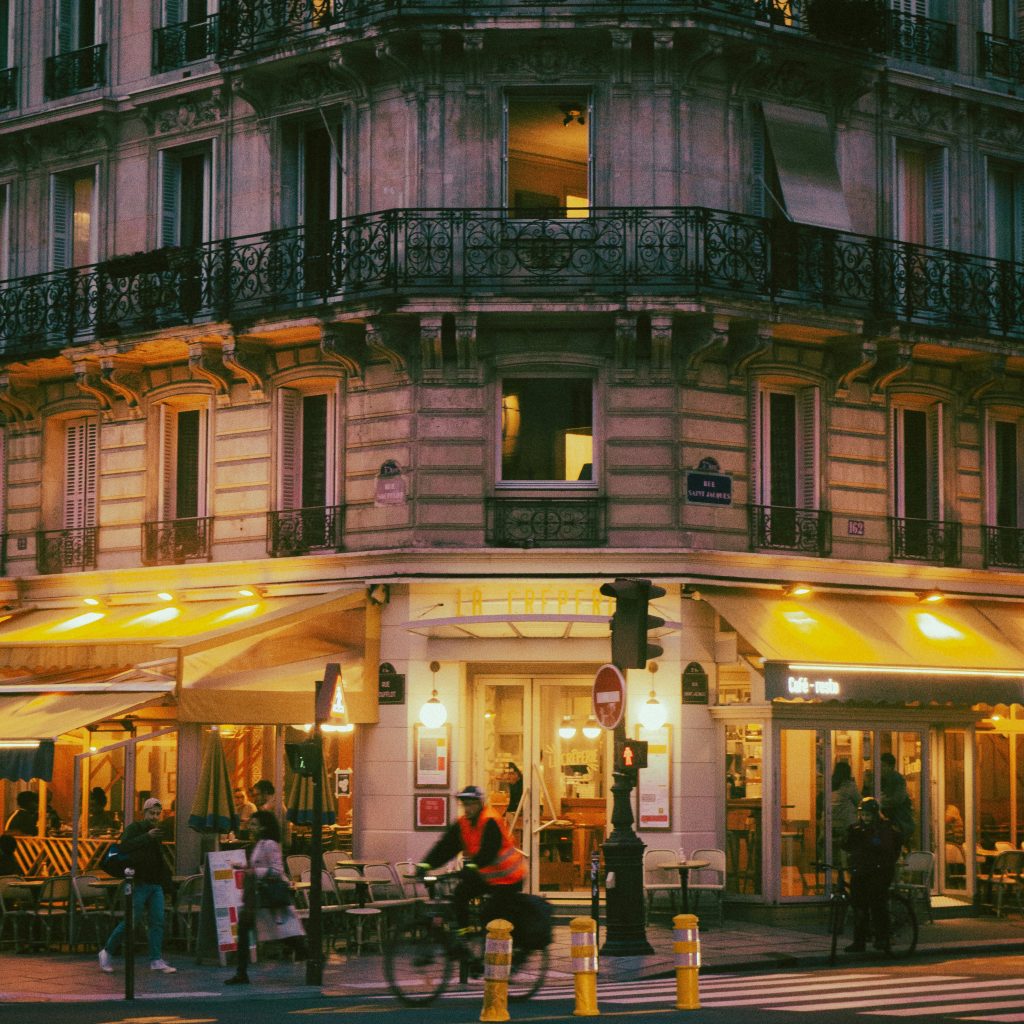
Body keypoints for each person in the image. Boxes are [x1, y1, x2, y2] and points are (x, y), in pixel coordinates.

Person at [418, 784, 526, 932]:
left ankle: (504, 948)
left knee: (490, 913)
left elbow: (489, 851)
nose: (467, 808)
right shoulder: (463, 823)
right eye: (465, 805)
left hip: (508, 878)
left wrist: (472, 866)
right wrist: (426, 864)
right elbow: (445, 847)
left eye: (471, 804)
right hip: (487, 876)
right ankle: (464, 934)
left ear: (480, 804)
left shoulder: (490, 820)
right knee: (461, 893)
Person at [225, 810, 307, 985]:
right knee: (247, 929)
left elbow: (277, 870)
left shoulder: (269, 844)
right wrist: (244, 867)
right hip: (257, 896)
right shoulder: (261, 843)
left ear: (263, 826)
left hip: (265, 896)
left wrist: (254, 871)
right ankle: (241, 972)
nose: (250, 827)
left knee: (282, 933)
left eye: (254, 824)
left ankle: (308, 954)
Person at [98, 797, 176, 975]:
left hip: (154, 883)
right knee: (131, 921)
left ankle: (156, 959)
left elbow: (157, 858)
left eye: (157, 814)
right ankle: (107, 951)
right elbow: (123, 847)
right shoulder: (135, 828)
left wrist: (166, 883)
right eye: (151, 813)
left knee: (157, 921)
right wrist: (146, 837)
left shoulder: (156, 832)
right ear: (144, 813)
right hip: (138, 881)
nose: (155, 817)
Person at [842, 796, 903, 953]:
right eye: (863, 815)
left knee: (877, 903)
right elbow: (848, 846)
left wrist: (885, 862)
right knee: (859, 906)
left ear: (875, 814)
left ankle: (882, 937)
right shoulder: (857, 828)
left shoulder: (885, 828)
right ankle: (859, 941)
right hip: (861, 870)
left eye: (868, 815)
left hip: (879, 871)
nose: (865, 818)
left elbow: (890, 849)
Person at [878, 752, 915, 845]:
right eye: (880, 766)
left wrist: (883, 801)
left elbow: (897, 799)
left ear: (891, 767)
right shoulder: (879, 779)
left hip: (898, 820)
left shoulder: (897, 780)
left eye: (883, 766)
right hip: (889, 819)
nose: (881, 769)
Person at [831, 761, 860, 866]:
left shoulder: (829, 784)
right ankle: (846, 866)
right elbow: (859, 802)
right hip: (846, 824)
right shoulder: (849, 785)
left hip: (830, 824)